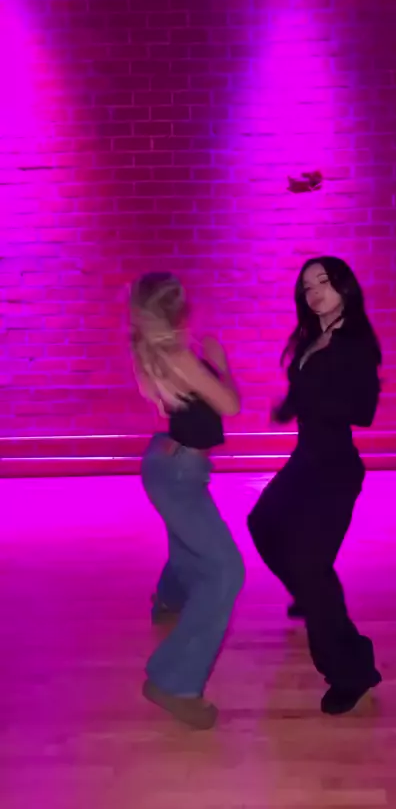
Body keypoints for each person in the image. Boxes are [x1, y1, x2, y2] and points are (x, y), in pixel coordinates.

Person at [247, 257, 382, 716]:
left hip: (335, 467)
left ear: (345, 286)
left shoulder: (356, 342)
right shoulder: (310, 337)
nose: (315, 292)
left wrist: (313, 398)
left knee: (312, 566)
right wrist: (288, 406)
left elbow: (364, 410)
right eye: (307, 287)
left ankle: (351, 671)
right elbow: (304, 390)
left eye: (324, 282)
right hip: (306, 458)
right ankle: (310, 595)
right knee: (263, 524)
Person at [130, 272, 245, 730]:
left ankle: (168, 600)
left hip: (167, 461)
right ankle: (174, 682)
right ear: (179, 309)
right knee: (226, 571)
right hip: (178, 471)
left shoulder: (149, 347)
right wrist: (222, 364)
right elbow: (230, 406)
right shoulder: (178, 355)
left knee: (186, 544)